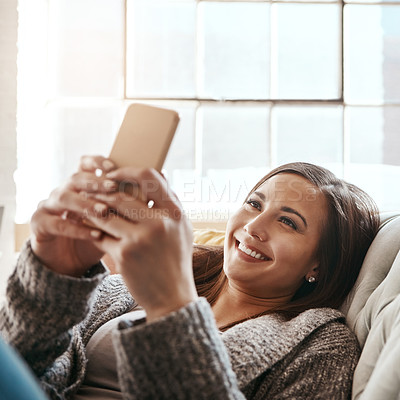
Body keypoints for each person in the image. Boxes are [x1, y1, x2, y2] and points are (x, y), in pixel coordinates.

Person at [0, 156, 380, 399]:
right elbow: (29, 367)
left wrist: (170, 306)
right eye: (254, 203)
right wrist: (53, 277)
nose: (255, 226)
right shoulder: (121, 290)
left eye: (287, 222)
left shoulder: (322, 347)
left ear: (319, 266)